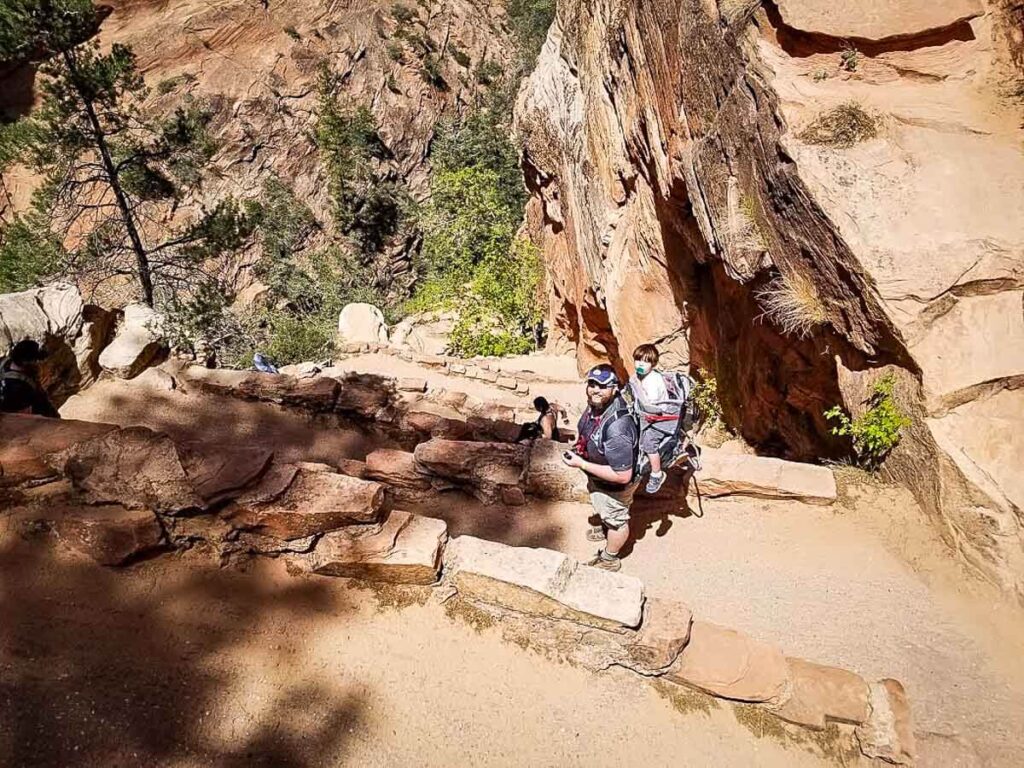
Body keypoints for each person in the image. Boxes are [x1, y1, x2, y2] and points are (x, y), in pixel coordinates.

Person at [562, 363, 639, 572]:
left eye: (603, 386)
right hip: (600, 474)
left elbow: (623, 476)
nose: (595, 389)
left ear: (614, 389)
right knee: (602, 504)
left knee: (617, 519)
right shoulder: (596, 405)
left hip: (615, 483)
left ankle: (609, 558)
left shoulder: (618, 428)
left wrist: (582, 463)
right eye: (592, 383)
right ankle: (605, 522)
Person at [629, 343, 675, 494]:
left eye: (646, 361)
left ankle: (657, 473)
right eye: (638, 360)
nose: (641, 364)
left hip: (660, 418)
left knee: (649, 443)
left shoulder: (653, 381)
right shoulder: (639, 376)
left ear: (653, 364)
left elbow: (652, 404)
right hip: (646, 415)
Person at [0, 339, 60, 417]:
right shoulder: (19, 388)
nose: (37, 363)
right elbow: (24, 416)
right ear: (26, 362)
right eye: (35, 360)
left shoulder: (5, 362)